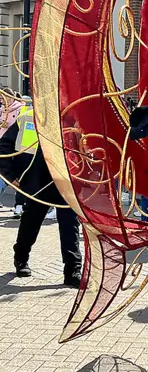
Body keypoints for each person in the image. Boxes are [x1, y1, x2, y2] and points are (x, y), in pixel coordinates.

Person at [0, 107, 82, 287]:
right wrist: (10, 176)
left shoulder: (75, 117)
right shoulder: (29, 116)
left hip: (65, 182)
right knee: (30, 224)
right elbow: (3, 147)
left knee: (70, 225)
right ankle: (20, 258)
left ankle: (73, 270)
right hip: (37, 184)